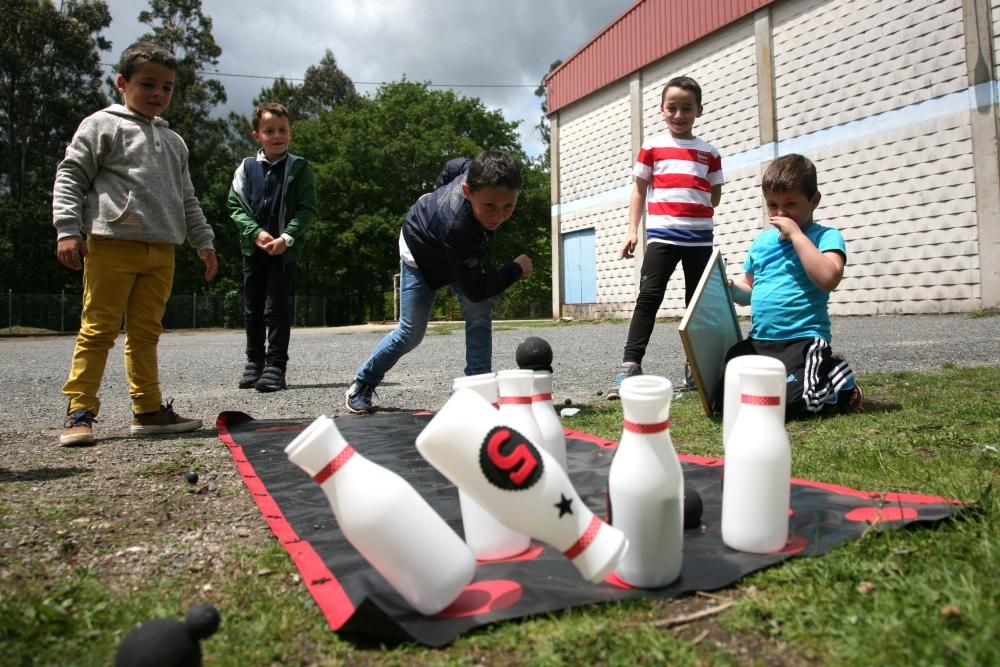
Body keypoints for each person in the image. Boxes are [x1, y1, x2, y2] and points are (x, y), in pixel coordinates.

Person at [53, 41, 218, 446]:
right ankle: (80, 411)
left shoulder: (175, 142)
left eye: (167, 87)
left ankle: (148, 410)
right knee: (98, 330)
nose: (158, 94)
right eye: (148, 84)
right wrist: (67, 229)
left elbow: (187, 199)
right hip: (110, 243)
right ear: (122, 83)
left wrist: (204, 243)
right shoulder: (101, 126)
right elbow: (71, 175)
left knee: (147, 333)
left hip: (162, 250)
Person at [345, 150, 533, 414]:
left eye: (508, 206)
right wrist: (516, 268)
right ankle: (362, 383)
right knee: (410, 333)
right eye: (489, 206)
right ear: (468, 191)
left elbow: (451, 166)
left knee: (479, 318)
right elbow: (477, 289)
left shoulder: (474, 170)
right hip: (420, 252)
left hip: (457, 253)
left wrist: (436, 193)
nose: (498, 216)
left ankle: (477, 391)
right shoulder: (457, 226)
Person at [607, 76, 724, 399]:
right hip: (661, 237)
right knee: (649, 297)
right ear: (661, 109)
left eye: (686, 108)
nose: (678, 114)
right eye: (671, 107)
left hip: (699, 240)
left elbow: (714, 196)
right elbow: (639, 191)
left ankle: (696, 367)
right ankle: (630, 364)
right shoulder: (652, 148)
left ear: (699, 110)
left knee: (695, 306)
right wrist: (632, 230)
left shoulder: (709, 153)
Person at [726, 153, 862, 419]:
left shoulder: (825, 236)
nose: (780, 214)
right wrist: (729, 287)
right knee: (728, 391)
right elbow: (748, 293)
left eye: (790, 204)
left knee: (796, 404)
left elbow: (828, 278)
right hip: (761, 341)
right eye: (773, 205)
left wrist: (797, 235)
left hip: (802, 340)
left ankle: (836, 374)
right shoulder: (761, 243)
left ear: (814, 201)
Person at [228, 102, 317, 392]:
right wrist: (255, 233)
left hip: (283, 252)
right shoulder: (246, 167)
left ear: (290, 132)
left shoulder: (300, 168)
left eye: (283, 130)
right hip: (253, 250)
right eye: (270, 131)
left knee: (275, 310)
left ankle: (276, 367)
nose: (277, 136)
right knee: (252, 309)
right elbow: (235, 204)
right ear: (257, 135)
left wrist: (286, 237)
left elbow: (307, 210)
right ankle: (255, 362)